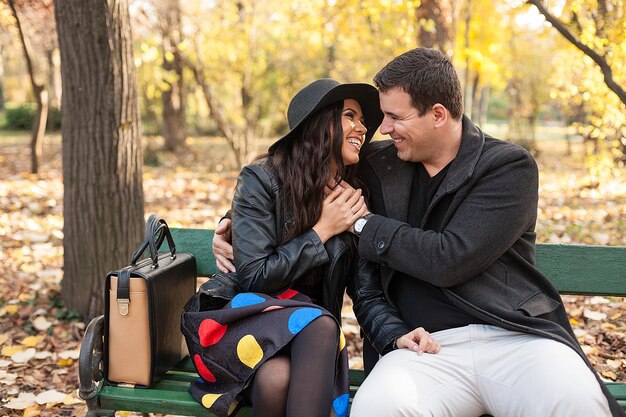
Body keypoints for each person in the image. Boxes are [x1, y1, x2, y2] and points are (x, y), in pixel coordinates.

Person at [213, 49, 625, 417]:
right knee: (379, 408)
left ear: (438, 114)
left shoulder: (507, 167)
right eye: (378, 117)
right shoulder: (375, 166)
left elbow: (450, 258)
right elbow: (292, 176)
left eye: (395, 117)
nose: (383, 128)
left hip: (514, 338)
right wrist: (229, 227)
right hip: (421, 348)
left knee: (576, 402)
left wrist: (361, 223)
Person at [183, 77, 442, 417]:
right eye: (350, 116)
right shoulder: (263, 179)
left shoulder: (354, 196)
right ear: (319, 125)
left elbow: (365, 293)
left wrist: (396, 335)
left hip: (306, 346)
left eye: (363, 120)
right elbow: (253, 278)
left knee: (277, 378)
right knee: (319, 325)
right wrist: (322, 231)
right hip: (243, 325)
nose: (363, 128)